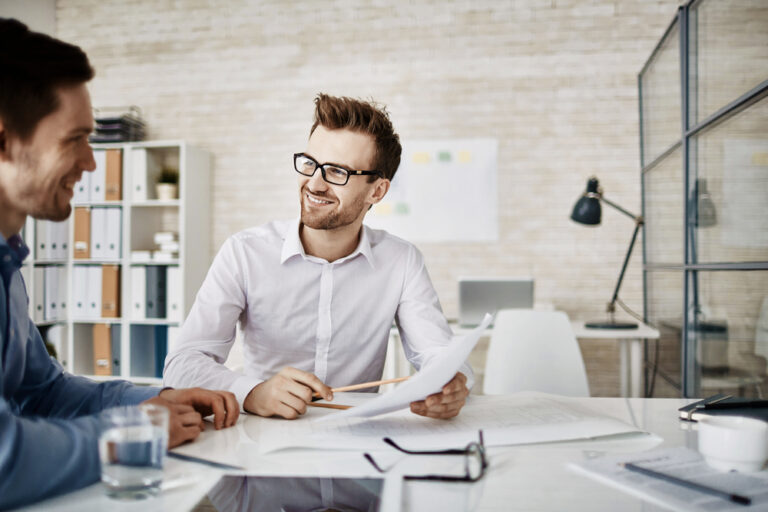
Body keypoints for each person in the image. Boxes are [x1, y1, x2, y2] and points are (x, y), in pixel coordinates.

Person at [0, 18, 239, 509]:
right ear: (4, 141)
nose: (92, 162)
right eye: (75, 139)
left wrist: (149, 401)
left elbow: (41, 392)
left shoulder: (8, 262)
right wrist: (135, 430)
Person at [164, 93, 473, 420]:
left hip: (358, 439)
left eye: (337, 172)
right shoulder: (245, 252)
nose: (314, 183)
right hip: (264, 436)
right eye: (311, 164)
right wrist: (253, 392)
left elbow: (436, 351)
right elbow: (183, 364)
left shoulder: (401, 260)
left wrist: (452, 382)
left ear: (376, 191)